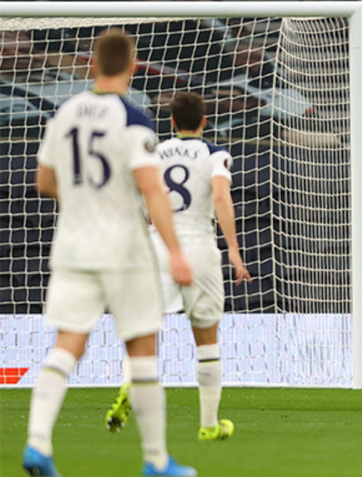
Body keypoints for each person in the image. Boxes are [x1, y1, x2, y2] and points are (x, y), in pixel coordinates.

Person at [22, 30, 196, 476]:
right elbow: (150, 188)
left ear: (93, 64)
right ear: (133, 66)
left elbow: (44, 182)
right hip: (123, 248)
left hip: (73, 244)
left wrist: (83, 200)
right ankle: (156, 460)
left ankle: (37, 443)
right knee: (140, 350)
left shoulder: (64, 113)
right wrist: (175, 251)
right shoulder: (133, 118)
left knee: (66, 345)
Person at [105, 92, 252, 441]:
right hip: (199, 246)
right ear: (204, 121)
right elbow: (220, 195)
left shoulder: (153, 152)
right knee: (207, 339)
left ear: (171, 122)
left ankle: (131, 381)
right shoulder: (214, 153)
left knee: (144, 330)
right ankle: (208, 424)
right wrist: (233, 249)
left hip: (157, 245)